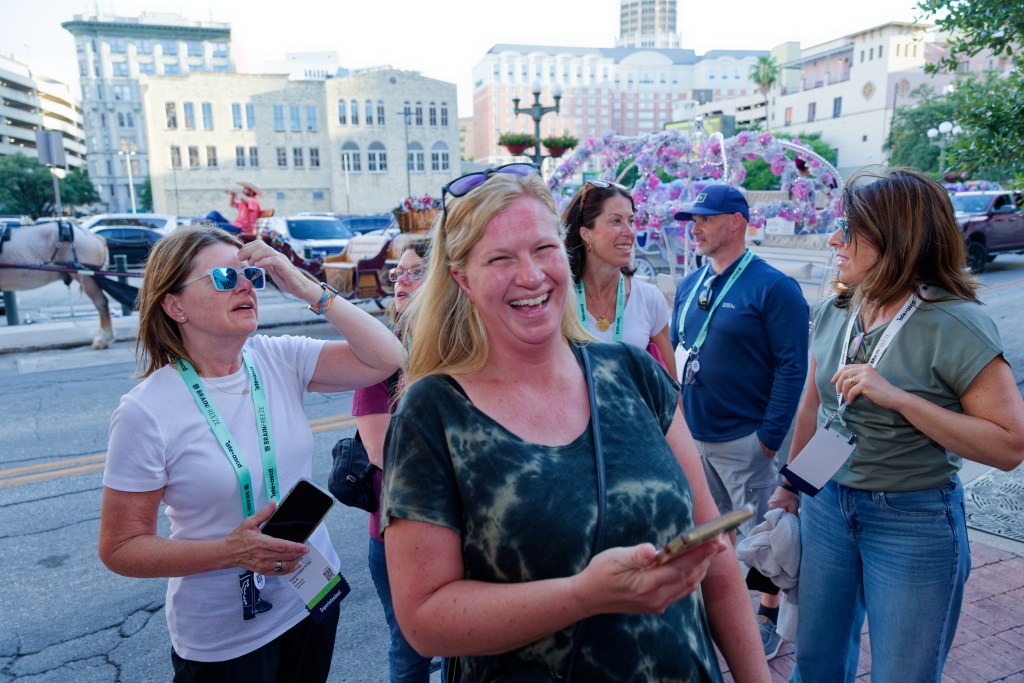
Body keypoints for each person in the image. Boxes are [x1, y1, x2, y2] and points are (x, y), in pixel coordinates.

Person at [381, 168, 770, 682]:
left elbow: (714, 555)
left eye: (543, 249)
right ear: (462, 279)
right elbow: (425, 618)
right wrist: (582, 595)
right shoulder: (433, 411)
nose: (531, 275)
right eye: (500, 258)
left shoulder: (633, 374)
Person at [97, 225, 405, 682]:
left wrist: (302, 285)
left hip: (309, 595)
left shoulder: (278, 357)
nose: (244, 286)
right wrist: (229, 552)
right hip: (224, 637)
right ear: (174, 305)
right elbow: (120, 548)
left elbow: (388, 356)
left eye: (250, 277)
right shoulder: (144, 412)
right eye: (224, 278)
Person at [771, 167, 1024, 682]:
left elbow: (1009, 447)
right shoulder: (838, 308)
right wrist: (791, 487)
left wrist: (900, 399)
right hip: (826, 506)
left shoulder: (955, 322)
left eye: (849, 227)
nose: (833, 238)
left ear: (897, 238)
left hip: (912, 520)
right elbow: (812, 406)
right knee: (815, 663)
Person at [669, 184, 809, 659]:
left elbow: (794, 366)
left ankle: (768, 616)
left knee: (762, 538)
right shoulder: (690, 285)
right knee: (713, 532)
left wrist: (768, 439)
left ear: (737, 221)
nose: (696, 227)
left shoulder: (773, 286)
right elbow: (679, 354)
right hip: (697, 436)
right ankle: (726, 613)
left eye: (705, 218)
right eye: (693, 219)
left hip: (746, 440)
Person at [352, 239, 433, 683]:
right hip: (397, 530)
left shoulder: (469, 346)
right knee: (410, 650)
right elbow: (382, 451)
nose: (400, 280)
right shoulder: (381, 352)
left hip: (470, 528)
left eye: (415, 272)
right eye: (397, 272)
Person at [562, 179, 677, 380]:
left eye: (631, 221)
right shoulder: (560, 299)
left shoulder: (649, 299)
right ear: (586, 234)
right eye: (616, 221)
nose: (629, 232)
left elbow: (671, 389)